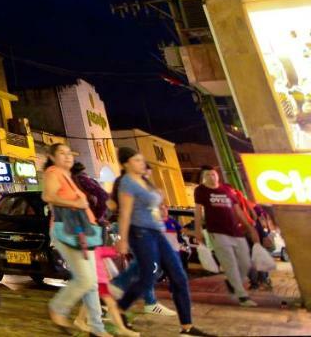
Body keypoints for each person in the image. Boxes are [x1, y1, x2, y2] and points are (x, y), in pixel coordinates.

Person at [114, 147, 209, 335]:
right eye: (137, 161)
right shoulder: (126, 183)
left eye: (142, 160)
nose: (142, 163)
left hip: (158, 232)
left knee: (179, 276)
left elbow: (156, 202)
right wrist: (123, 240)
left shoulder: (144, 181)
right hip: (140, 233)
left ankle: (187, 327)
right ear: (126, 164)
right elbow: (124, 213)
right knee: (148, 276)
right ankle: (120, 307)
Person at [41, 142, 103, 335]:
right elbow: (48, 196)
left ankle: (97, 328)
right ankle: (58, 308)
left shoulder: (67, 176)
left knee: (91, 283)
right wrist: (76, 202)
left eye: (70, 153)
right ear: (52, 157)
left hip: (83, 232)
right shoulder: (53, 172)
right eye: (62, 153)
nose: (68, 156)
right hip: (69, 231)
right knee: (86, 280)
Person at [191, 165, 256, 306]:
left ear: (217, 175)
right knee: (230, 263)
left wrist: (250, 227)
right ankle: (242, 296)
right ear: (203, 177)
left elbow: (237, 209)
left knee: (246, 262)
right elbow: (197, 211)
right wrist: (198, 231)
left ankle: (232, 282)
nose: (211, 177)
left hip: (235, 231)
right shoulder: (201, 190)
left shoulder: (226, 189)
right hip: (217, 232)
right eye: (208, 175)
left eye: (213, 174)